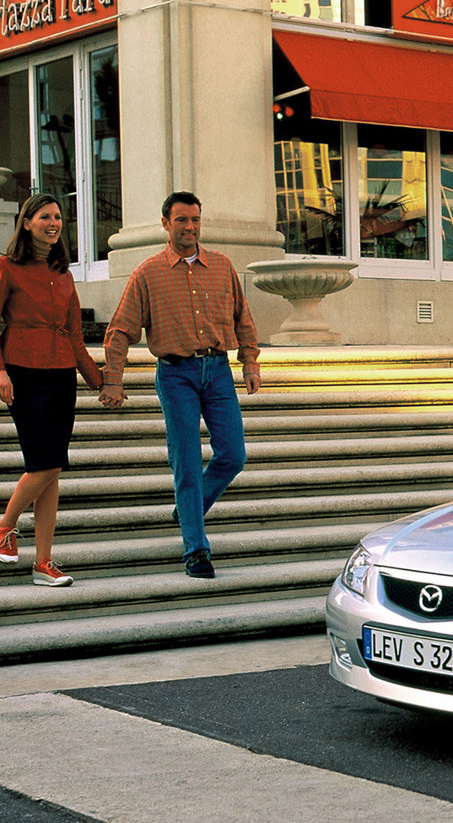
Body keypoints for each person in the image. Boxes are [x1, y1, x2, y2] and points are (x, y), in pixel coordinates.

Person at [99, 192, 261, 579]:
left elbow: (244, 319)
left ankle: (188, 509)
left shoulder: (223, 266)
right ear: (165, 224)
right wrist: (112, 379)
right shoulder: (147, 273)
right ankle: (196, 550)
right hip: (175, 375)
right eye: (181, 220)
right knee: (186, 462)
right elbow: (120, 329)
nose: (190, 227)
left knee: (233, 455)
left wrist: (250, 362)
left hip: (218, 370)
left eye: (195, 220)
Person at [0, 193, 105, 587]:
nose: (53, 222)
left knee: (52, 468)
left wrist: (99, 380)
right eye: (45, 216)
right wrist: (0, 371)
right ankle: (5, 525)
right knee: (44, 463)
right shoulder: (7, 267)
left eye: (58, 217)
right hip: (23, 373)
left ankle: (43, 562)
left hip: (61, 373)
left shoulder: (64, 274)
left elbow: (76, 334)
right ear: (26, 223)